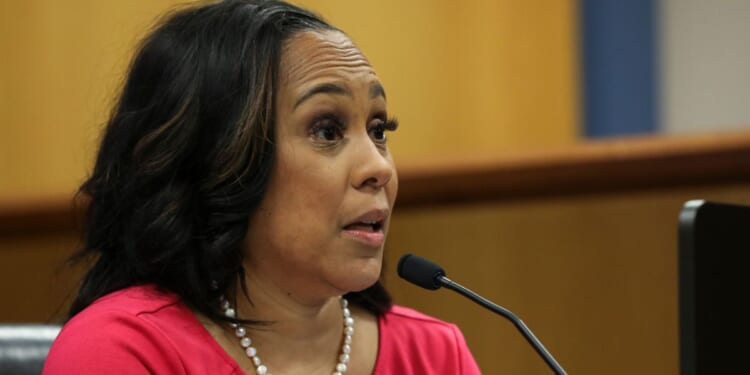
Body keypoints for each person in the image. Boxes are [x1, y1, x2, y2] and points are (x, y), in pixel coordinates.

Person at [42, 1, 481, 374]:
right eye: (327, 131)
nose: (378, 167)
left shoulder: (434, 355)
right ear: (220, 160)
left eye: (379, 129)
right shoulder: (122, 352)